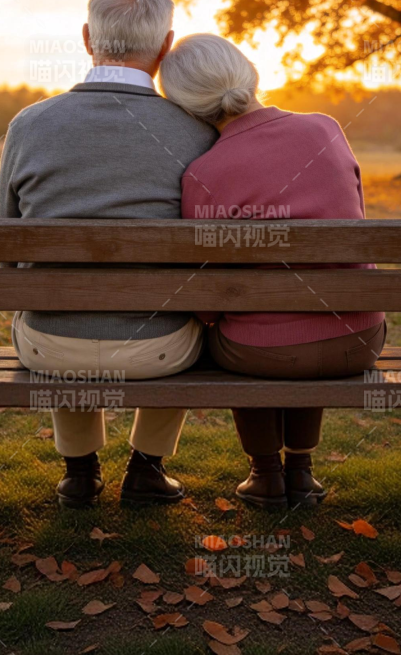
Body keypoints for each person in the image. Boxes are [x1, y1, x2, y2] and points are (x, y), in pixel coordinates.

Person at [0, 0, 217, 507]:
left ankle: (79, 472)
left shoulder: (29, 125)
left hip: (50, 346)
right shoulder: (195, 130)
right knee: (187, 316)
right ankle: (146, 467)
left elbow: (8, 250)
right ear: (166, 46)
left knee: (54, 297)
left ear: (86, 38)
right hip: (158, 348)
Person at [159, 34, 385, 508]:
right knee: (311, 313)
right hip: (358, 339)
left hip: (260, 352)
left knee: (252, 330)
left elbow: (206, 298)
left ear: (186, 107)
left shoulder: (203, 172)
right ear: (248, 71)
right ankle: (301, 473)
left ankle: (266, 474)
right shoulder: (326, 129)